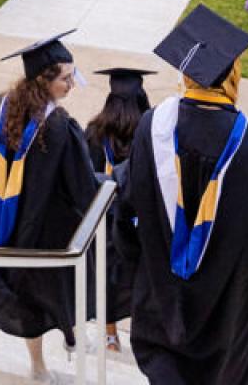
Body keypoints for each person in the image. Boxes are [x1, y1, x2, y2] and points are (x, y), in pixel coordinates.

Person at [114, 5, 248, 385]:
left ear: (185, 72)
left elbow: (126, 214)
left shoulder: (151, 128)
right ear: (233, 75)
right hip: (233, 314)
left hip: (162, 303)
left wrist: (142, 273)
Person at [0, 32, 98, 382]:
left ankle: (39, 368)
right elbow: (81, 188)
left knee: (27, 301)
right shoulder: (59, 127)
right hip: (42, 232)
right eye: (65, 78)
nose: (72, 84)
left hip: (1, 228)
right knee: (56, 288)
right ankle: (70, 339)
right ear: (44, 81)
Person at [85, 67, 155, 354]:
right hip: (139, 225)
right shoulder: (150, 135)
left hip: (103, 222)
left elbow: (85, 177)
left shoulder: (93, 131)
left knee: (107, 280)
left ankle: (110, 337)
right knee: (142, 281)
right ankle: (144, 336)